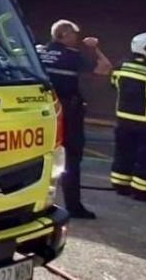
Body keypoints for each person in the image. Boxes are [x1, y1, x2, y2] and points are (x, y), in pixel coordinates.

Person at [38, 19, 112, 219]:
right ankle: (74, 206)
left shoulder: (38, 52)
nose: (76, 38)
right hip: (68, 114)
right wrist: (95, 48)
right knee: (71, 159)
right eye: (73, 34)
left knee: (39, 158)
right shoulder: (72, 56)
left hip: (41, 113)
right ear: (64, 35)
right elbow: (105, 68)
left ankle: (36, 204)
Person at [109, 32, 146, 203]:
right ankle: (142, 191)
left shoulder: (121, 65)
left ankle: (121, 185)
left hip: (123, 120)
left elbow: (114, 85)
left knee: (123, 153)